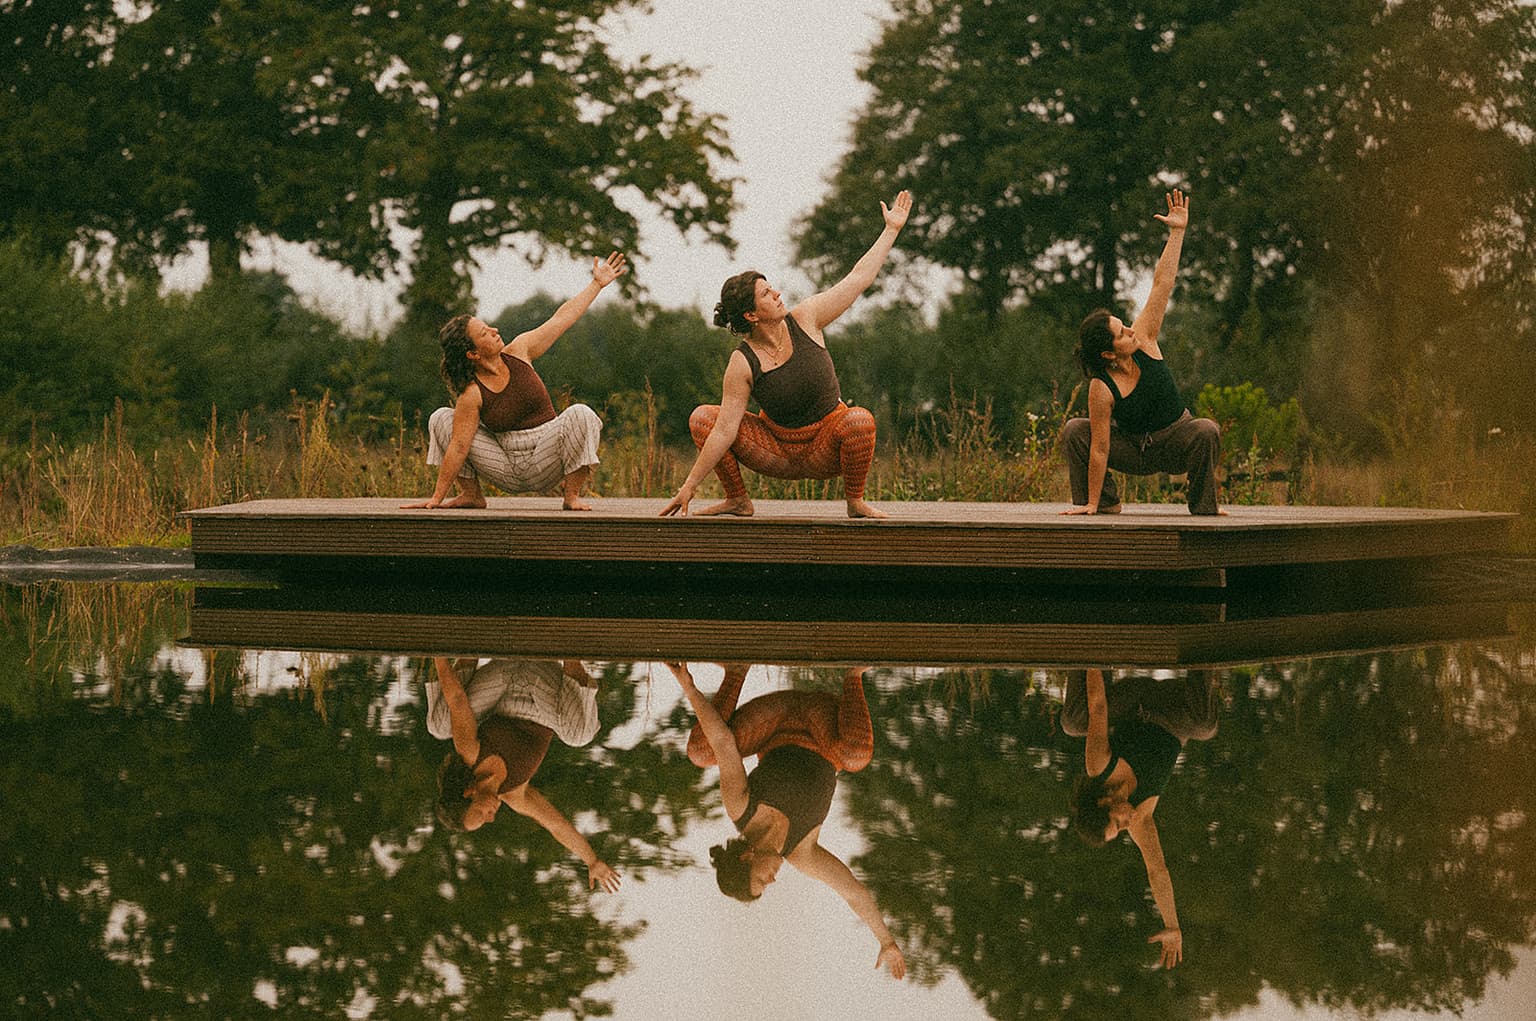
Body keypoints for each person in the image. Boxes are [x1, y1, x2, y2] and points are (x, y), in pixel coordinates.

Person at [659, 191, 914, 520]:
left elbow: (858, 279)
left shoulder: (807, 317)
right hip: (775, 451)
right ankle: (737, 500)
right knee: (703, 418)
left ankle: (855, 502)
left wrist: (891, 229)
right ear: (751, 315)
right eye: (766, 293)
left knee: (860, 420)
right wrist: (689, 486)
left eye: (771, 287)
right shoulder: (742, 362)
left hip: (825, 446)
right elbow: (724, 430)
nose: (777, 293)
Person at [667, 662, 906, 979]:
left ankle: (735, 671)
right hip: (826, 729)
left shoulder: (740, 807)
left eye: (761, 880)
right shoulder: (803, 853)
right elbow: (854, 892)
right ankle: (853, 673)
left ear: (746, 857)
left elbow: (724, 743)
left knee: (701, 751)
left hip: (777, 720)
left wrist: (688, 686)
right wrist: (886, 940)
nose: (773, 880)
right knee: (855, 756)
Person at [403, 252, 628, 512]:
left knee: (582, 414)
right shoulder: (472, 393)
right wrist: (436, 498)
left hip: (546, 452)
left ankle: (571, 496)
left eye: (489, 326)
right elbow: (459, 446)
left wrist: (596, 284)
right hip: (503, 463)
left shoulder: (520, 351)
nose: (495, 330)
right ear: (473, 354)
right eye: (484, 333)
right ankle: (471, 496)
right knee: (441, 418)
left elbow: (561, 319)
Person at [1059, 191, 1224, 516]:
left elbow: (1162, 283)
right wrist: (1092, 502)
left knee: (1207, 430)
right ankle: (1102, 504)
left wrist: (1177, 232)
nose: (1131, 331)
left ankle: (1204, 508)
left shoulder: (1145, 338)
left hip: (1176, 439)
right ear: (1108, 354)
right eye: (1122, 333)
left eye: (1125, 326)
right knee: (1076, 430)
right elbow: (1101, 448)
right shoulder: (1101, 386)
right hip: (1133, 450)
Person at [1067, 667, 1220, 968]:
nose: (1127, 824)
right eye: (1122, 829)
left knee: (1074, 722)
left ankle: (1084, 640)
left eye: (1118, 822)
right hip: (1175, 712)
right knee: (1204, 726)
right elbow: (1157, 871)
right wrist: (1172, 925)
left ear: (1104, 802)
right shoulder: (1142, 819)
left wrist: (1093, 659)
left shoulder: (1098, 766)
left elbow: (1098, 707)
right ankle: (1203, 648)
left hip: (1133, 702)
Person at [427, 655, 621, 893]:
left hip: (506, 679)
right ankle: (572, 648)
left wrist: (439, 657)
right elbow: (556, 825)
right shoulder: (516, 795)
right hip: (543, 692)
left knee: (439, 725)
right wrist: (591, 860)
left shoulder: (470, 753)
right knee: (578, 735)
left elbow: (457, 700)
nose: (491, 817)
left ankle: (470, 641)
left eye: (482, 813)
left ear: (469, 792)